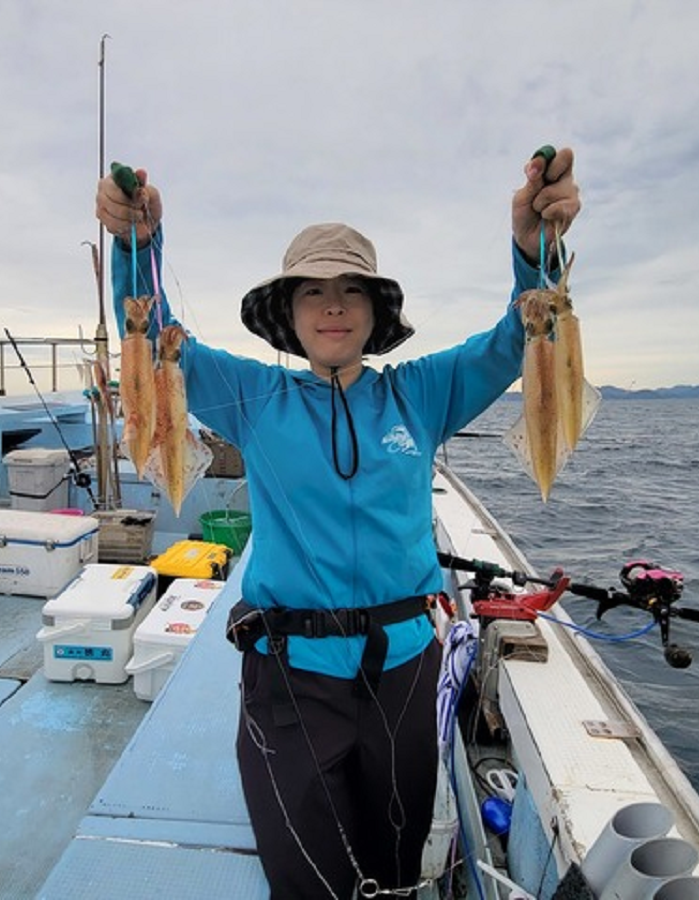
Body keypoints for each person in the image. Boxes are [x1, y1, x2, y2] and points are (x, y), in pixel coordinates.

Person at [95, 150, 581, 899]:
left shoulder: (423, 394)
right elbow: (152, 336)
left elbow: (526, 335)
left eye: (351, 290)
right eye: (313, 291)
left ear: (375, 313)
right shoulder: (252, 396)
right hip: (291, 677)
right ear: (287, 315)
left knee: (394, 856)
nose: (333, 305)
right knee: (307, 872)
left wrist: (534, 248)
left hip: (405, 671)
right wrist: (136, 246)